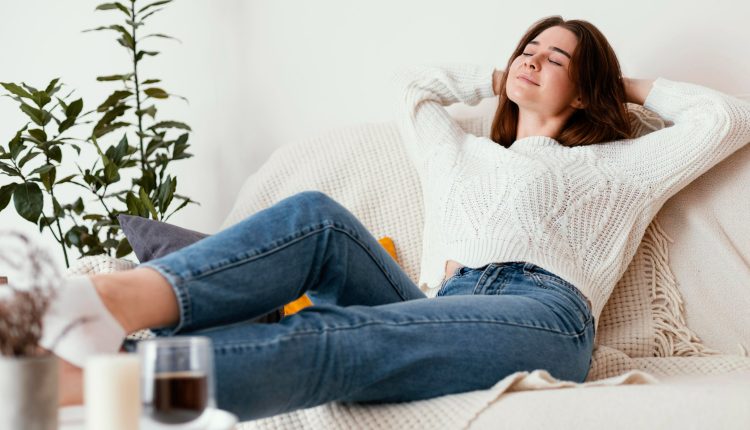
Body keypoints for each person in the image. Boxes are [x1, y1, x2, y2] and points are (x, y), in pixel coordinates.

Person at [39, 15, 750, 421]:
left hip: (542, 318)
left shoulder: (618, 167)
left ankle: (86, 382)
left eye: (556, 57)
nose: (531, 60)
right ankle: (105, 300)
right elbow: (415, 90)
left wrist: (613, 82)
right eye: (526, 49)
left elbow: (727, 117)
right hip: (444, 305)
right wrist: (498, 78)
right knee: (316, 217)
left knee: (328, 337)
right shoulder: (463, 154)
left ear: (586, 83)